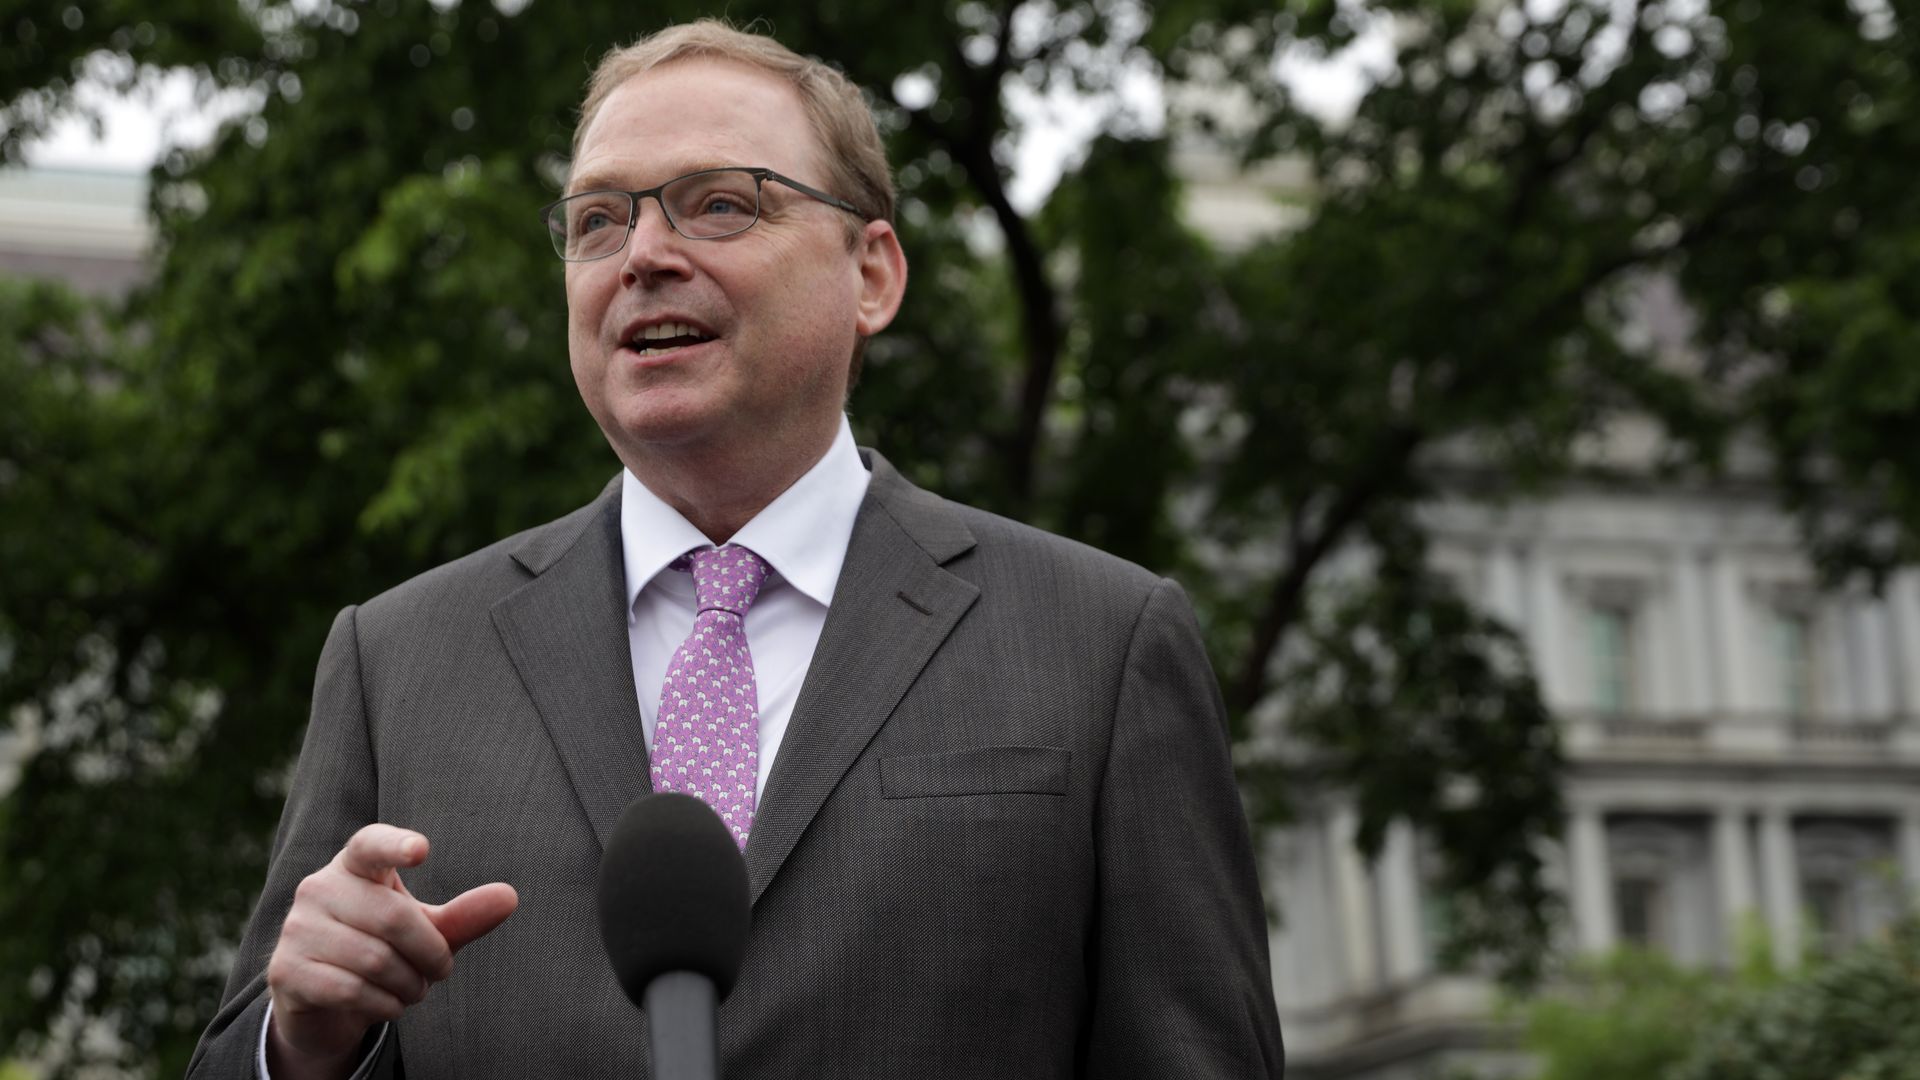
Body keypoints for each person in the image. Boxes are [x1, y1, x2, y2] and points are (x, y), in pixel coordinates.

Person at [187, 19, 1283, 1080]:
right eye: (600, 220)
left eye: (719, 204)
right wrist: (301, 1049)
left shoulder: (1101, 644)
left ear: (872, 275)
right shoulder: (399, 659)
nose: (645, 256)